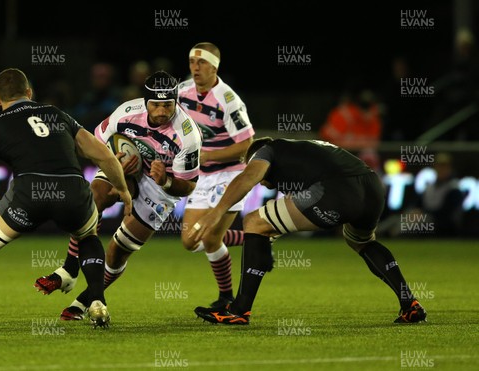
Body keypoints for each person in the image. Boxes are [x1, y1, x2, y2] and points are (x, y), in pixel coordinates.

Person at [0, 68, 131, 332]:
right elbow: (105, 156)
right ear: (30, 92)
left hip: (28, 196)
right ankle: (98, 301)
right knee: (87, 236)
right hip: (72, 192)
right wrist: (123, 189)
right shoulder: (57, 114)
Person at [190, 137, 427, 325]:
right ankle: (409, 303)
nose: (262, 183)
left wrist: (217, 211)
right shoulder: (300, 150)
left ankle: (238, 311)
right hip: (372, 186)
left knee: (254, 221)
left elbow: (250, 176)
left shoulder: (267, 150)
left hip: (334, 189)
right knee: (361, 241)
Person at [34, 71, 202, 321]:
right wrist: (114, 163)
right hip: (125, 163)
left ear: (175, 102)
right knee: (94, 199)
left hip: (159, 187)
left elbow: (188, 186)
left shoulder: (188, 135)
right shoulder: (126, 113)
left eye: (168, 104)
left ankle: (85, 299)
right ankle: (70, 268)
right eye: (155, 104)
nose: (161, 111)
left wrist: (165, 180)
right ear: (145, 101)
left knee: (117, 251)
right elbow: (93, 144)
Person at [178, 42, 255, 308]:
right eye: (191, 62)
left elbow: (247, 145)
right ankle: (256, 237)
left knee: (210, 238)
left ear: (215, 67)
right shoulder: (183, 91)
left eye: (201, 63)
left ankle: (225, 297)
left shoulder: (229, 100)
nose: (195, 68)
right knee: (189, 241)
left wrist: (209, 155)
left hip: (230, 175)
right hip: (201, 175)